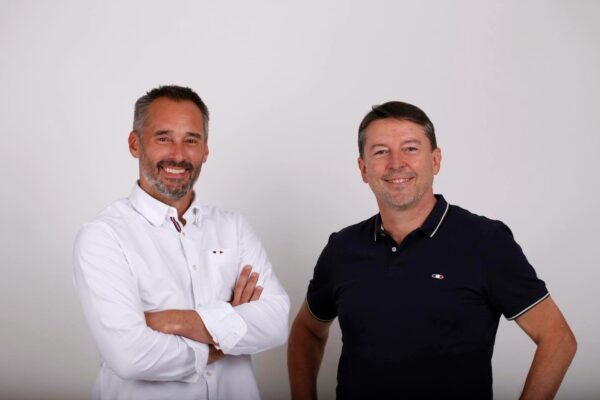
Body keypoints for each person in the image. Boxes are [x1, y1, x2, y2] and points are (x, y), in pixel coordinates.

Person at [288, 101, 576, 400]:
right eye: (381, 151)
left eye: (410, 149)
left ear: (435, 160)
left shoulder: (486, 241)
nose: (396, 163)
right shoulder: (342, 248)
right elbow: (307, 331)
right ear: (363, 168)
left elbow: (558, 339)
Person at [73, 85, 289, 400]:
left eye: (191, 140)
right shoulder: (103, 236)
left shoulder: (234, 228)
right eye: (163, 138)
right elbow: (130, 355)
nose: (178, 154)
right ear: (135, 144)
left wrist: (173, 321)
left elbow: (276, 322)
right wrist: (224, 332)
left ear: (205, 150)